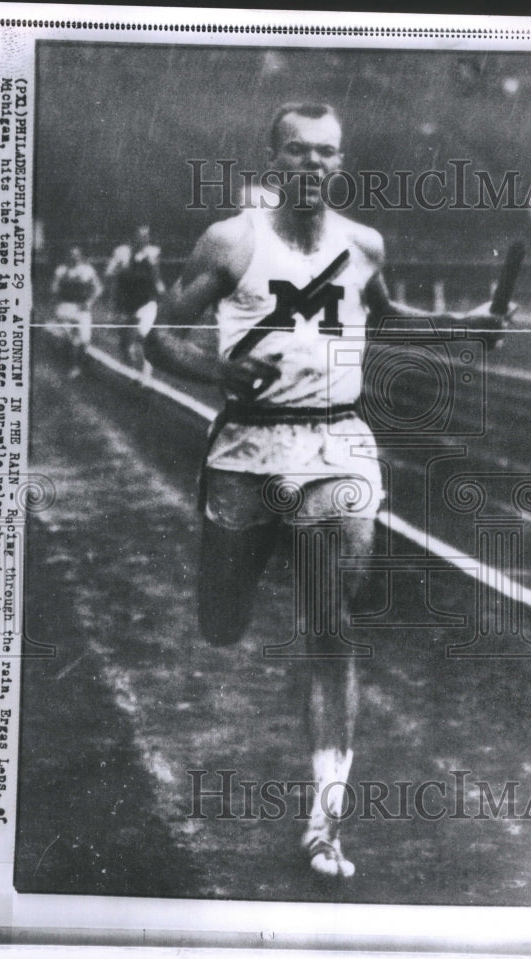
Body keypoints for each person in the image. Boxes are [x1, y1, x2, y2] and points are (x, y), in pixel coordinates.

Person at [145, 103, 507, 879]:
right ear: (273, 159)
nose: (313, 165)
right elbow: (158, 334)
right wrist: (217, 372)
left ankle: (324, 825)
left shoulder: (364, 245)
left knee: (330, 626)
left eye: (328, 153)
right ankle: (231, 592)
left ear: (342, 162)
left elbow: (390, 318)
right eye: (298, 152)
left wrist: (464, 323)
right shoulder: (232, 240)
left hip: (338, 447)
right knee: (221, 622)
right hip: (247, 448)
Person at [105, 224, 166, 371]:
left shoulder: (152, 252)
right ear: (133, 236)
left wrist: (159, 287)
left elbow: (156, 275)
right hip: (127, 301)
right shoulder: (122, 253)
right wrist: (119, 269)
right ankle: (130, 364)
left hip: (146, 300)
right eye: (141, 235)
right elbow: (109, 273)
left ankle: (146, 376)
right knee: (125, 343)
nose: (144, 238)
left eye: (147, 235)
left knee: (142, 335)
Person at [49, 245, 102, 375]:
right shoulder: (61, 270)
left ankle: (80, 362)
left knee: (84, 339)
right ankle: (74, 366)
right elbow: (54, 288)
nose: (73, 257)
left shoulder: (87, 270)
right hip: (65, 306)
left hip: (81, 307)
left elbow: (98, 288)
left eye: (76, 255)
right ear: (67, 256)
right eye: (71, 254)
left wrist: (90, 302)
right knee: (72, 338)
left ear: (80, 256)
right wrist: (56, 297)